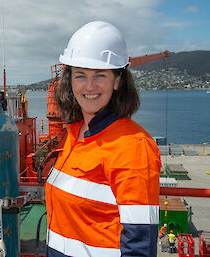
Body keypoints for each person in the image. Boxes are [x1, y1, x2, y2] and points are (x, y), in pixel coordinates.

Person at [44, 21, 161, 257]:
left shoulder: (132, 146)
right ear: (70, 80)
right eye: (80, 75)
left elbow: (139, 244)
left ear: (117, 80)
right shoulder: (75, 135)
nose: (89, 86)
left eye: (100, 75)